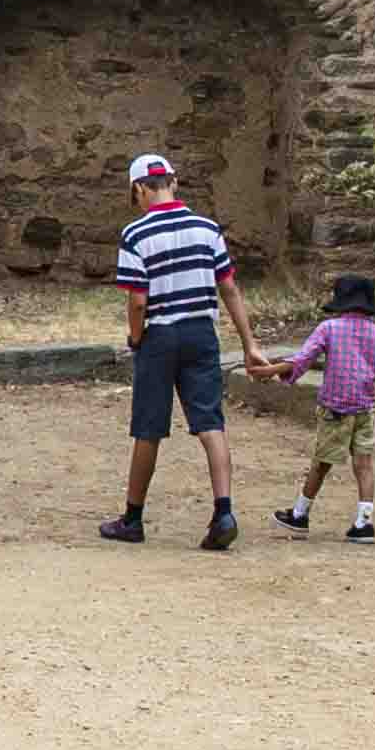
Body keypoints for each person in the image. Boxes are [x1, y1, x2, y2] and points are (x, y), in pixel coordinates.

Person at [103, 153, 255, 549]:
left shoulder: (136, 235)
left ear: (138, 189)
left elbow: (138, 301)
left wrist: (136, 338)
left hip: (160, 336)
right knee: (211, 423)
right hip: (202, 333)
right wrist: (250, 344)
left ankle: (133, 519)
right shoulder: (208, 229)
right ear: (175, 181)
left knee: (148, 428)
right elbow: (230, 289)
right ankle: (224, 511)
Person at [264, 273, 375, 543]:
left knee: (321, 464)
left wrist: (269, 370)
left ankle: (300, 515)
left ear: (341, 302)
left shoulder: (329, 329)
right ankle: (364, 523)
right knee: (364, 466)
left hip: (335, 410)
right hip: (365, 410)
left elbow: (302, 360)